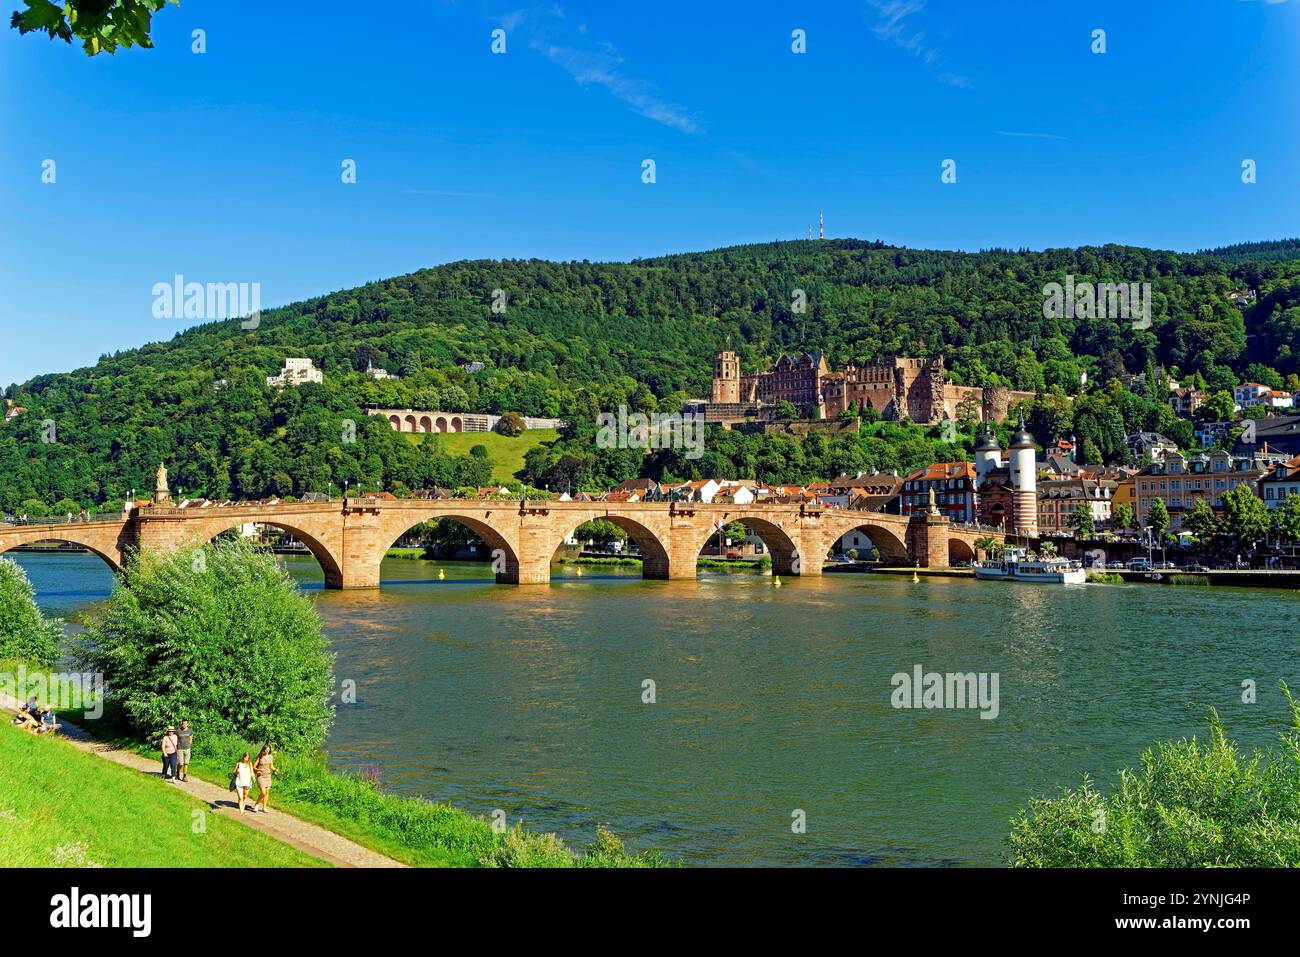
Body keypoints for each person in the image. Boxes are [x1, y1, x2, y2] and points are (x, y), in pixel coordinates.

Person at [252, 745, 275, 813]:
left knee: (267, 792)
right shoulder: (260, 757)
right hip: (261, 776)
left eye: (269, 749)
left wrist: (275, 770)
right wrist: (258, 769)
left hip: (268, 776)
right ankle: (257, 804)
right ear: (263, 750)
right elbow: (254, 767)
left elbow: (271, 766)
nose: (267, 750)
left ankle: (264, 807)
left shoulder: (270, 757)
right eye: (266, 749)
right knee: (263, 792)